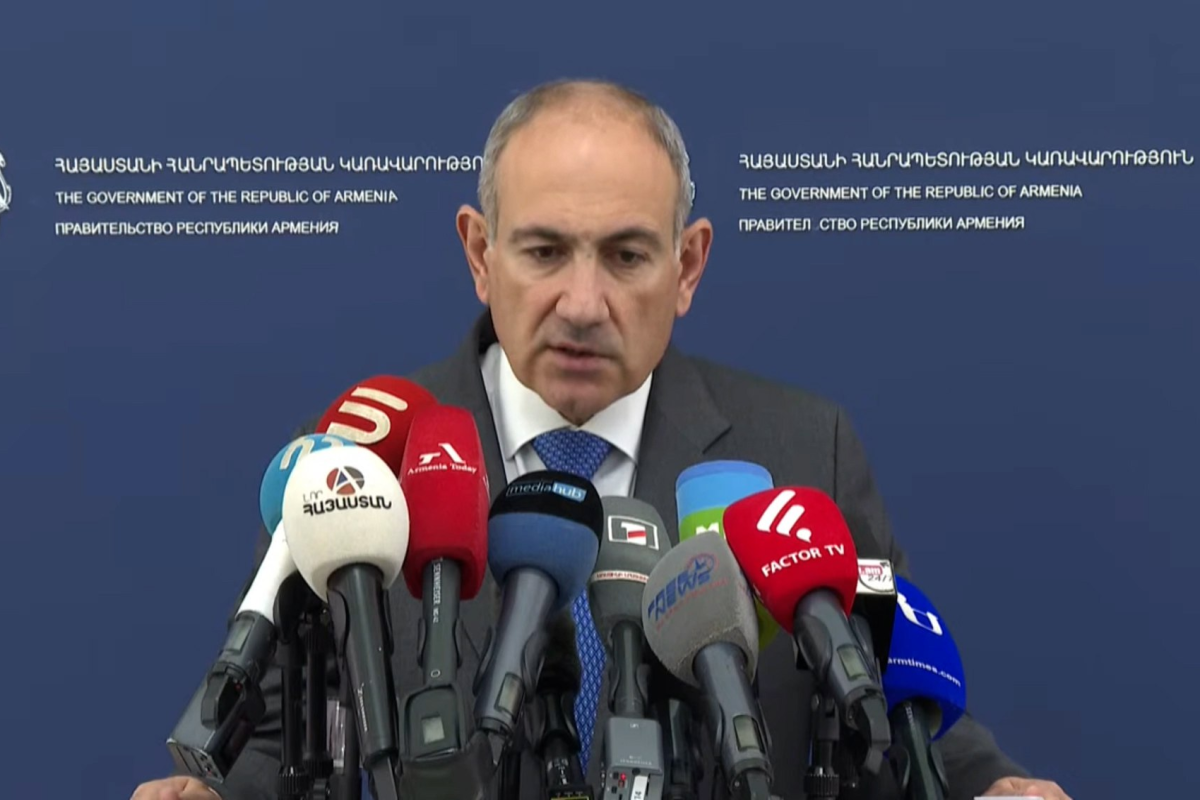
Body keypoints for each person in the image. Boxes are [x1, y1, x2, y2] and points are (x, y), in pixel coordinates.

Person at [132, 79, 1073, 800]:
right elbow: (273, 737)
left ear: (688, 265)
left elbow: (896, 712)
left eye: (626, 255)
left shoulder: (802, 448)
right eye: (545, 251)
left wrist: (991, 785)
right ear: (479, 254)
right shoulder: (357, 461)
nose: (583, 304)